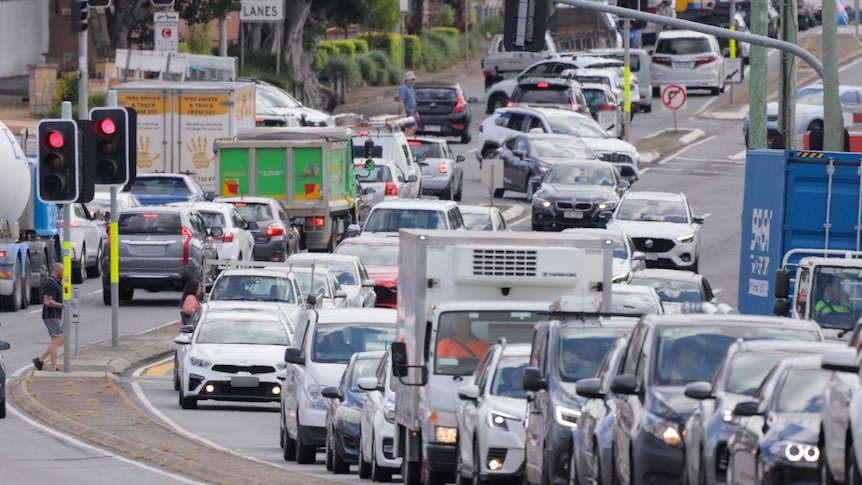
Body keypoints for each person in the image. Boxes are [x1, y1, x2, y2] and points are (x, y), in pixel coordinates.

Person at [33, 263, 64, 371]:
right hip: (51, 315)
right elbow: (47, 301)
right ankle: (54, 367)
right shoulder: (50, 284)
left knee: (61, 339)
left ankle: (40, 360)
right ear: (58, 271)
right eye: (63, 271)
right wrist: (62, 306)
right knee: (56, 340)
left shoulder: (57, 283)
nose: (64, 274)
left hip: (56, 315)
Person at [398, 71, 419, 137]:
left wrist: (416, 112)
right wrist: (404, 113)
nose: (413, 81)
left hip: (412, 111)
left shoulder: (411, 88)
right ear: (407, 79)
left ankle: (405, 139)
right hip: (408, 111)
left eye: (413, 79)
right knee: (414, 127)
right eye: (412, 79)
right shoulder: (403, 88)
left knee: (408, 128)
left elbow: (413, 101)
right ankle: (406, 140)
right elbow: (401, 101)